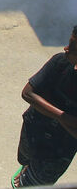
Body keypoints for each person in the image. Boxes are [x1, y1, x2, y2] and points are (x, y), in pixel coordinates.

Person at [12, 25, 77, 187]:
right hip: (34, 130)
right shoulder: (59, 62)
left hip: (57, 152)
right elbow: (27, 93)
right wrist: (64, 117)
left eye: (74, 48)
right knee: (25, 158)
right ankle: (28, 169)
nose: (66, 48)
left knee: (34, 183)